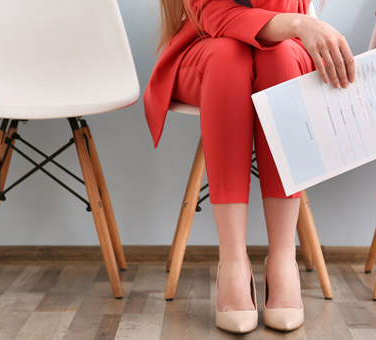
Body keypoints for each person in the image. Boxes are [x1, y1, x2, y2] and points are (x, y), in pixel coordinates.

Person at [144, 0, 355, 333]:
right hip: (205, 46)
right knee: (229, 57)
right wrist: (300, 25)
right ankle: (232, 261)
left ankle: (283, 259)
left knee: (280, 57)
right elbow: (214, 14)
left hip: (287, 50)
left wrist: (296, 28)